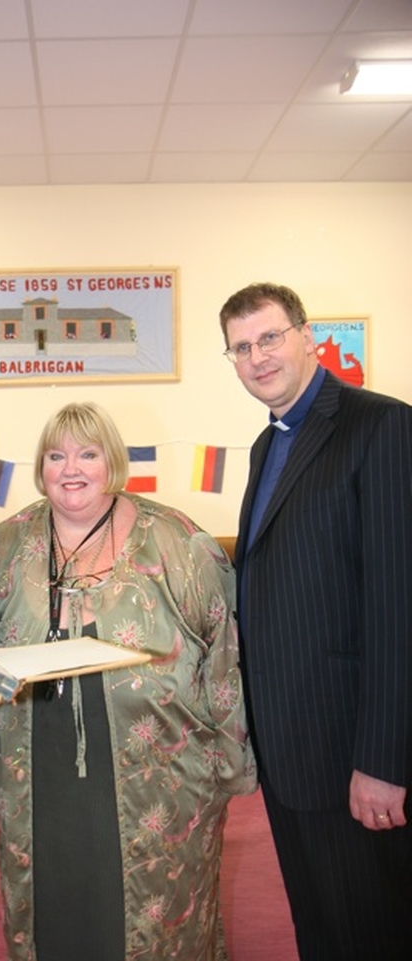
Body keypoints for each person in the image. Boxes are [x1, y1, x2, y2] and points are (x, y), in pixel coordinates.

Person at [0, 401, 256, 961]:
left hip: (163, 775)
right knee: (55, 910)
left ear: (114, 462)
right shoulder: (5, 545)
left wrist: (230, 751)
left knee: (158, 917)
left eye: (87, 454)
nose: (70, 468)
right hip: (37, 776)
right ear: (40, 465)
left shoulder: (176, 540)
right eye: (56, 455)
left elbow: (223, 645)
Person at [219, 282, 412, 960]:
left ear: (307, 335)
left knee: (376, 930)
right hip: (289, 751)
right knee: (321, 927)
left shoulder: (380, 425)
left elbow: (399, 603)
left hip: (353, 755)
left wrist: (384, 760)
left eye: (270, 337)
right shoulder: (264, 446)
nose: (258, 356)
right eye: (241, 347)